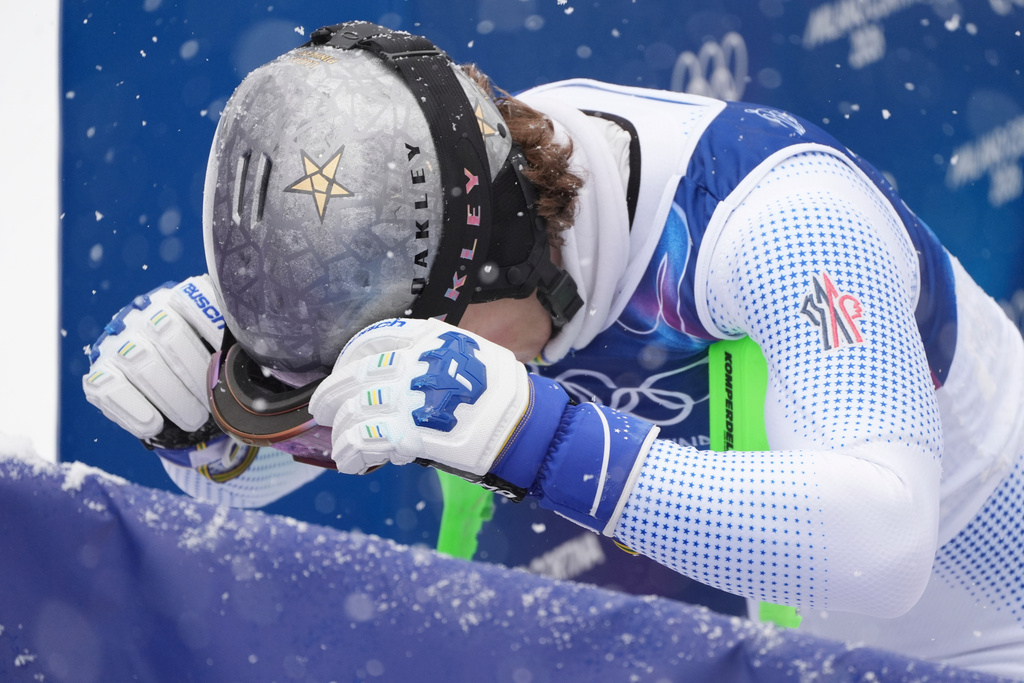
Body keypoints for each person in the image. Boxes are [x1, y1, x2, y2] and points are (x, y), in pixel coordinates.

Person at [82, 21, 1024, 678]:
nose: (387, 372)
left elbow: (885, 548)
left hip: (988, 629)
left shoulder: (786, 222)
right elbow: (245, 481)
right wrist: (210, 420)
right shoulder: (442, 207)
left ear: (509, 262)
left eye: (396, 346)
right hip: (752, 624)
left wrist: (544, 439)